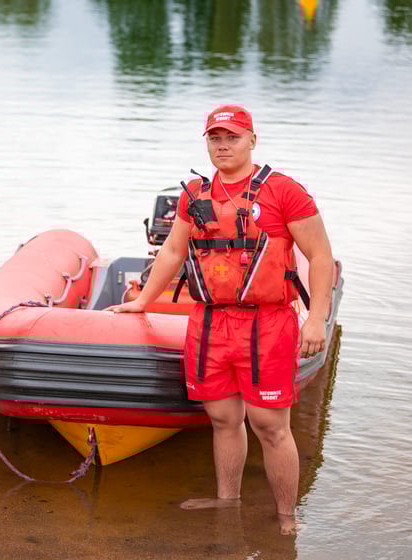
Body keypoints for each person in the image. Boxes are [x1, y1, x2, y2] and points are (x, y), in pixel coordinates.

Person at [107, 105, 334, 535]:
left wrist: (316, 318)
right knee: (223, 419)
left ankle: (287, 517)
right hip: (210, 324)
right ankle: (226, 500)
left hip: (267, 323)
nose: (223, 145)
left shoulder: (285, 191)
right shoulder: (195, 194)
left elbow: (320, 256)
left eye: (231, 136)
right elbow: (174, 251)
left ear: (252, 139)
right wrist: (143, 302)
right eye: (215, 137)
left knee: (270, 425)